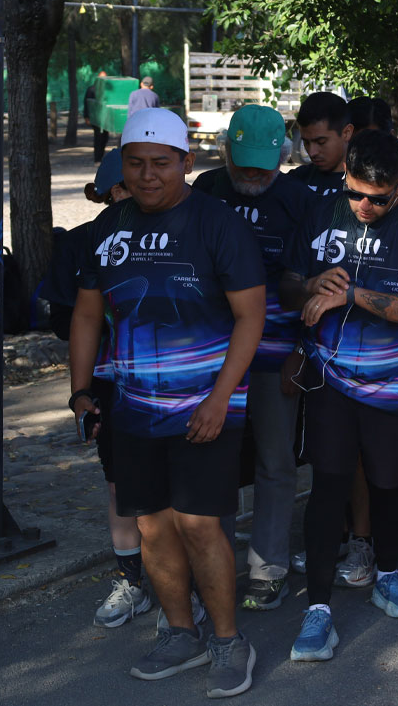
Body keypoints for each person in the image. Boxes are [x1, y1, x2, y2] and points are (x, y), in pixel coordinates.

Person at [68, 108, 265, 698]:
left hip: (206, 405)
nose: (148, 175)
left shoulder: (218, 224)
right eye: (135, 164)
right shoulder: (107, 228)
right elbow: (86, 315)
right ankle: (182, 633)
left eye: (161, 163)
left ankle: (229, 641)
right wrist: (81, 391)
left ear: (186, 161)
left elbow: (250, 317)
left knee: (200, 525)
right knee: (152, 526)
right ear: (121, 165)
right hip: (133, 407)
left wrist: (220, 398)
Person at [279, 130, 398, 660]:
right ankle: (318, 610)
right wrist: (310, 286)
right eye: (355, 193)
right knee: (328, 483)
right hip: (330, 375)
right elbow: (285, 283)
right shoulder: (321, 212)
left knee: (387, 481)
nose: (364, 207)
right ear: (345, 177)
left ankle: (388, 575)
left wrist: (350, 294)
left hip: (395, 379)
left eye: (379, 198)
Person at [191, 105, 316, 611]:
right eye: (242, 164)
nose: (251, 175)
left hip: (275, 351)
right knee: (212, 461)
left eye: (262, 167)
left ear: (283, 157)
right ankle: (212, 565)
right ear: (225, 151)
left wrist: (302, 351)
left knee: (275, 460)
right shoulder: (206, 189)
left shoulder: (299, 201)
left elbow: (315, 282)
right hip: (211, 352)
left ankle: (268, 568)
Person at [51, 154, 146, 629]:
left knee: (172, 488)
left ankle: (182, 581)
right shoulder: (87, 242)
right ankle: (131, 579)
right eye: (119, 192)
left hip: (175, 384)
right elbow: (67, 321)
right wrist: (81, 392)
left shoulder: (180, 233)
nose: (128, 198)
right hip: (111, 383)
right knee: (118, 484)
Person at [291, 92, 354, 196]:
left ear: (346, 133)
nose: (312, 152)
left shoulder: (367, 186)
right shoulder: (295, 180)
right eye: (306, 142)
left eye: (321, 142)